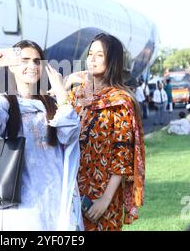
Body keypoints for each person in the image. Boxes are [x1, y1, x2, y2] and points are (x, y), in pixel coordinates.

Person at [0, 40, 83, 231]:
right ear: (13, 67)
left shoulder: (52, 104)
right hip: (21, 208)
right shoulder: (4, 103)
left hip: (55, 201)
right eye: (24, 60)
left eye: (36, 61)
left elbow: (70, 135)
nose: (32, 66)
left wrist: (61, 93)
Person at [64, 33, 145, 231]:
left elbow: (122, 155)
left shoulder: (119, 101)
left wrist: (104, 200)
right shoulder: (77, 95)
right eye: (90, 53)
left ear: (112, 60)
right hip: (71, 193)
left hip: (101, 197)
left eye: (99, 55)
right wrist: (66, 84)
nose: (91, 58)